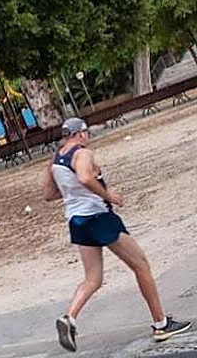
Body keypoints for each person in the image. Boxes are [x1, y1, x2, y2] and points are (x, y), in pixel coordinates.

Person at [42, 117, 191, 351]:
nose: (87, 137)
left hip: (76, 220)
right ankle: (161, 324)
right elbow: (83, 177)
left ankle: (69, 317)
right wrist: (108, 195)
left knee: (93, 278)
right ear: (80, 133)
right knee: (141, 265)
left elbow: (50, 194)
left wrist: (74, 190)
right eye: (86, 132)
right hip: (98, 217)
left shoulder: (56, 159)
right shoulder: (82, 154)